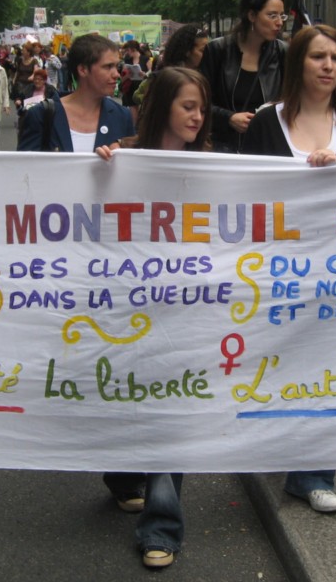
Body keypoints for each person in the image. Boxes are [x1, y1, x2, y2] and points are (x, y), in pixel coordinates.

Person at [242, 25, 336, 513]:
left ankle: (314, 472)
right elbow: (246, 200)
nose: (328, 66)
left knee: (329, 367)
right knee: (283, 364)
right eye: (318, 57)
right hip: (279, 271)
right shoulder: (264, 123)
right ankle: (276, 445)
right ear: (298, 62)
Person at [95, 67, 212, 568]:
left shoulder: (216, 167)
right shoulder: (122, 157)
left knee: (171, 412)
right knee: (126, 400)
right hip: (126, 306)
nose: (199, 117)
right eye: (189, 106)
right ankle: (124, 475)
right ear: (164, 105)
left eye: (202, 108)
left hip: (185, 314)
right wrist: (100, 169)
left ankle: (161, 524)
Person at [199, 0, 288, 152]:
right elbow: (201, 102)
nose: (279, 23)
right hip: (224, 148)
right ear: (252, 15)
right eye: (272, 15)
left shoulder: (283, 52)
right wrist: (229, 118)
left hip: (268, 149)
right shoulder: (218, 50)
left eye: (282, 16)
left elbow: (293, 100)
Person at [19, 34, 133, 153]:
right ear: (83, 70)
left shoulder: (122, 116)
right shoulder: (41, 114)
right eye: (108, 67)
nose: (116, 74)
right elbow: (25, 167)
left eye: (116, 66)